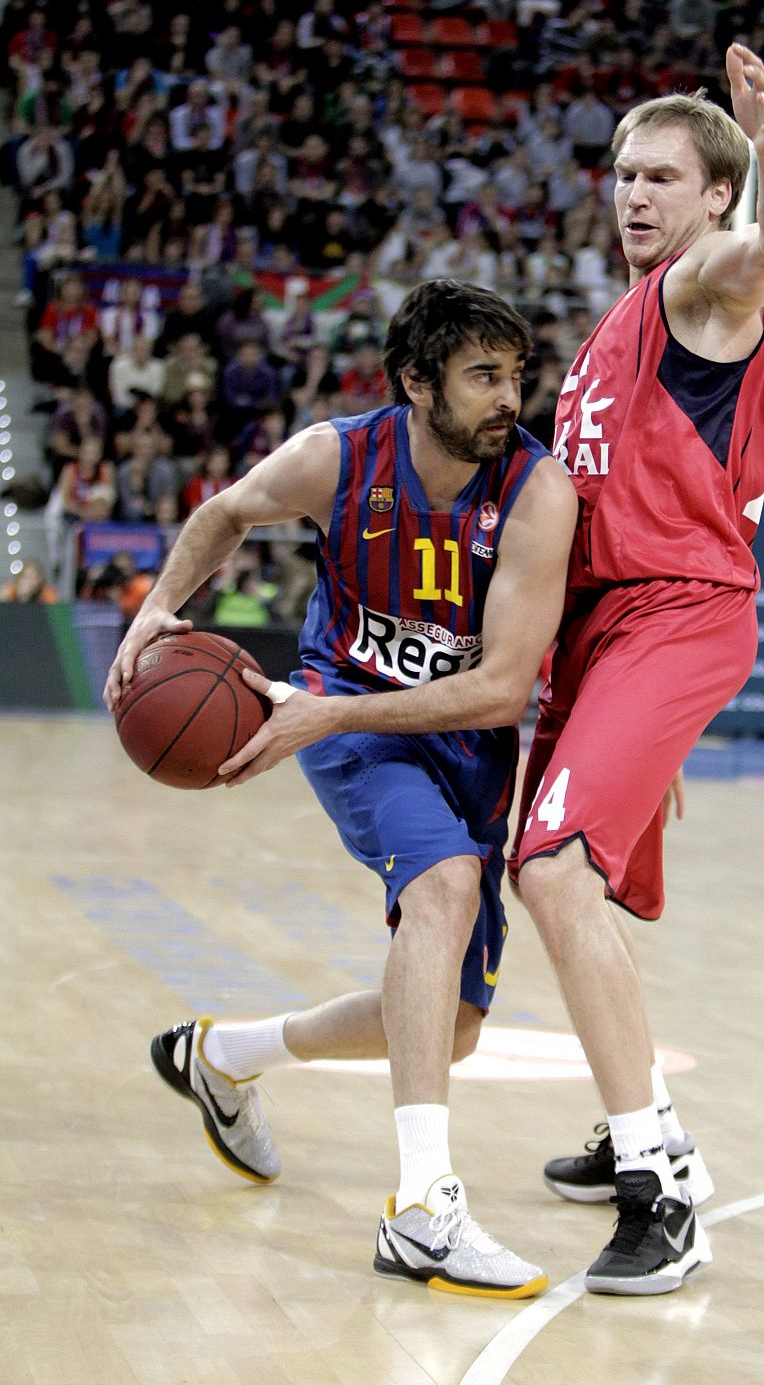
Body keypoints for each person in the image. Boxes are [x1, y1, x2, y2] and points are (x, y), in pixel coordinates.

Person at [103, 279, 577, 1299]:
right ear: (415, 381)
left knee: (447, 1022)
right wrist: (158, 609)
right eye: (481, 376)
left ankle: (224, 1053)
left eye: (515, 376)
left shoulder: (540, 492)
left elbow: (498, 685)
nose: (507, 397)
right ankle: (422, 1208)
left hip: (457, 733)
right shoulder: (337, 455)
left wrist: (335, 713)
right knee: (444, 885)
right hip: (350, 714)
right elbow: (225, 511)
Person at [508, 44, 764, 1296]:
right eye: (622, 172)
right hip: (612, 635)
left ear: (709, 200)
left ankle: (660, 1183)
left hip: (674, 610)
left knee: (550, 869)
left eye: (661, 176)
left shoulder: (706, 282)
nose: (632, 193)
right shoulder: (613, 324)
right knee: (570, 879)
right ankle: (642, 1121)